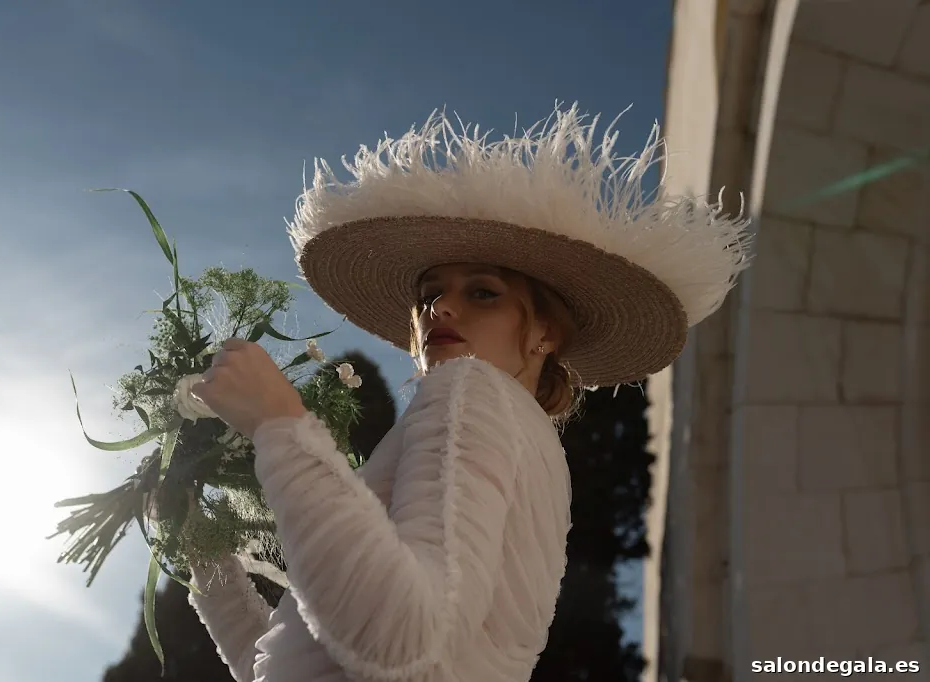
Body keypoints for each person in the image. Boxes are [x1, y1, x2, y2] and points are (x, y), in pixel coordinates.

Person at [186, 105, 751, 682]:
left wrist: (278, 425)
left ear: (545, 332)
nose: (441, 308)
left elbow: (408, 639)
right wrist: (208, 566)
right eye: (430, 295)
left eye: (483, 293)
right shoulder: (524, 439)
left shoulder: (472, 390)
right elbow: (308, 663)